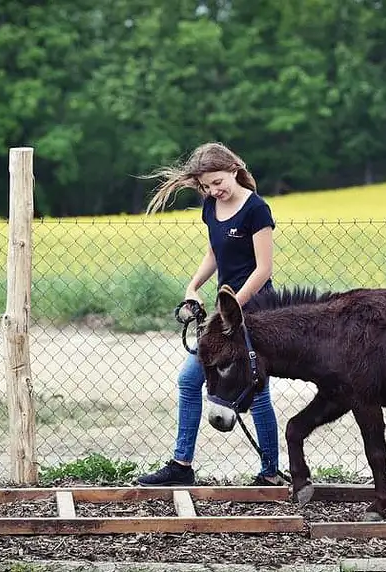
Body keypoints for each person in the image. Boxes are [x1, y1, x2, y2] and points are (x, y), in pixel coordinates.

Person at [135, 142, 284, 487]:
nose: (214, 190)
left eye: (217, 182)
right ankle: (181, 466)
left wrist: (232, 306)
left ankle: (270, 472)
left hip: (256, 311)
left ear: (233, 169)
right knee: (190, 380)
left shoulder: (256, 210)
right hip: (225, 313)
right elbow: (215, 253)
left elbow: (263, 269)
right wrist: (193, 287)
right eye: (206, 186)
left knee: (256, 389)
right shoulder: (210, 208)